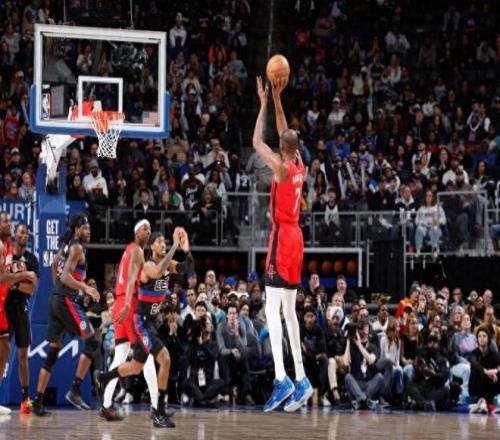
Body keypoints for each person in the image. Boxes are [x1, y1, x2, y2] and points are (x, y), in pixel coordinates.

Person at [253, 75, 312, 412]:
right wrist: (277, 98)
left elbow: (256, 141)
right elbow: (284, 130)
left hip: (281, 238)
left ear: (282, 150)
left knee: (271, 309)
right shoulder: (299, 161)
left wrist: (263, 103)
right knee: (289, 311)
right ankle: (301, 378)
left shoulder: (281, 168)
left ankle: (281, 378)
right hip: (297, 238)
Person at [99, 228, 193, 428]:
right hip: (140, 321)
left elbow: (187, 268)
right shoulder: (148, 265)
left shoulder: (168, 264)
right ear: (151, 246)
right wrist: (175, 246)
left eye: (165, 241)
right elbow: (158, 272)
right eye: (159, 242)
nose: (163, 244)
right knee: (164, 358)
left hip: (150, 322)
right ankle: (158, 412)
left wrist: (186, 250)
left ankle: (104, 377)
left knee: (136, 366)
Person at [32, 214, 100, 416]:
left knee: (52, 354)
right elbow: (64, 275)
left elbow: (54, 264)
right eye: (85, 228)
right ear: (77, 230)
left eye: (89, 228)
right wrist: (85, 288)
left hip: (56, 300)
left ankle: (38, 401)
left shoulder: (67, 245)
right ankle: (75, 389)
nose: (88, 231)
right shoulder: (77, 248)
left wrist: (57, 290)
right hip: (65, 301)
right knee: (93, 341)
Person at [0, 213, 37, 415]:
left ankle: (25, 398)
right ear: (15, 234)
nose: (24, 235)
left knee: (22, 354)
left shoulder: (31, 259)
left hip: (21, 308)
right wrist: (20, 279)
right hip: (4, 306)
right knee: (2, 351)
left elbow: (32, 288)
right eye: (21, 232)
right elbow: (3, 279)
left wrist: (13, 283)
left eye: (27, 233)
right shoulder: (6, 252)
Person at [342, 319, 385, 410]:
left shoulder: (373, 346)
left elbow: (370, 360)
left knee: (380, 377)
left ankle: (360, 401)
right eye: (360, 328)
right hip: (356, 384)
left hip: (369, 384)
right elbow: (345, 363)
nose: (362, 330)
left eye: (365, 327)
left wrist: (359, 345)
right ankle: (365, 400)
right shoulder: (352, 346)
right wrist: (348, 342)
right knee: (347, 377)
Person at [469, 326, 500, 413]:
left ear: (488, 338)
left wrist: (496, 371)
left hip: (490, 385)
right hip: (476, 386)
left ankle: (484, 403)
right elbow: (474, 363)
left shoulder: (494, 353)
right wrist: (486, 372)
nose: (481, 338)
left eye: (484, 336)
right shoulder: (474, 353)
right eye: (479, 336)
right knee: (478, 371)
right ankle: (483, 402)